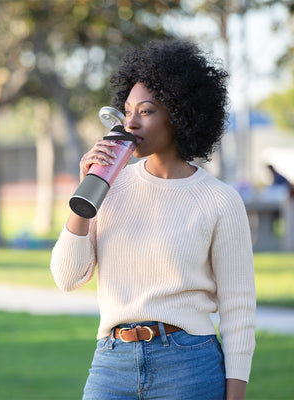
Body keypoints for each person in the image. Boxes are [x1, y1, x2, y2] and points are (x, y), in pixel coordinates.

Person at [51, 39, 256, 400]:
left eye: (145, 111)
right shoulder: (108, 186)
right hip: (111, 363)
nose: (130, 123)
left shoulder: (220, 200)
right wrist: (85, 194)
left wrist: (235, 394)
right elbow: (67, 278)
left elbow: (238, 311)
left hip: (189, 366)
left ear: (179, 113)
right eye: (126, 111)